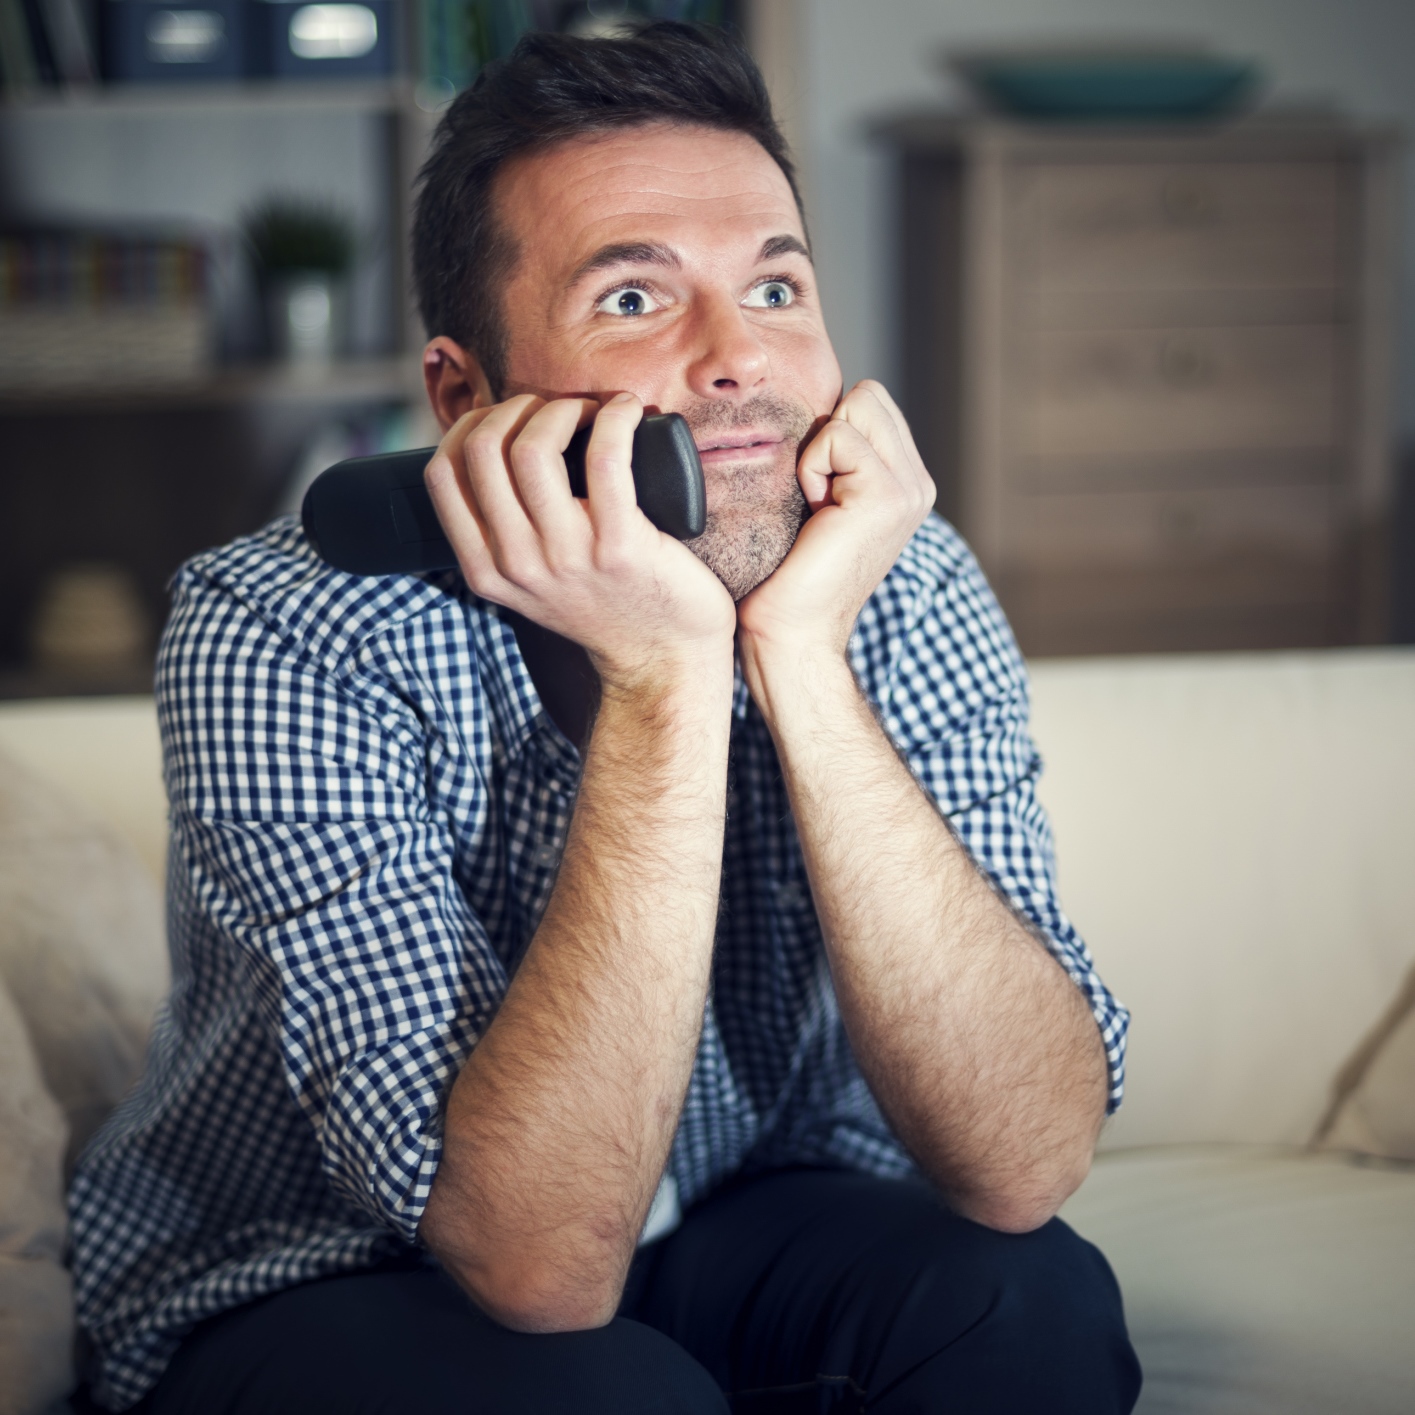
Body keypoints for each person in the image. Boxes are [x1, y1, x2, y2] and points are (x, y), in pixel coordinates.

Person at [70, 22, 1139, 1414]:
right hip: (335, 1272)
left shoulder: (890, 564)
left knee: (1030, 1306)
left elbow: (1024, 1162)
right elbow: (536, 1270)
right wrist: (665, 676)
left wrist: (800, 657)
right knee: (602, 1397)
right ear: (464, 398)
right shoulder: (282, 627)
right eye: (636, 301)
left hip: (731, 1204)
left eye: (775, 286)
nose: (737, 360)